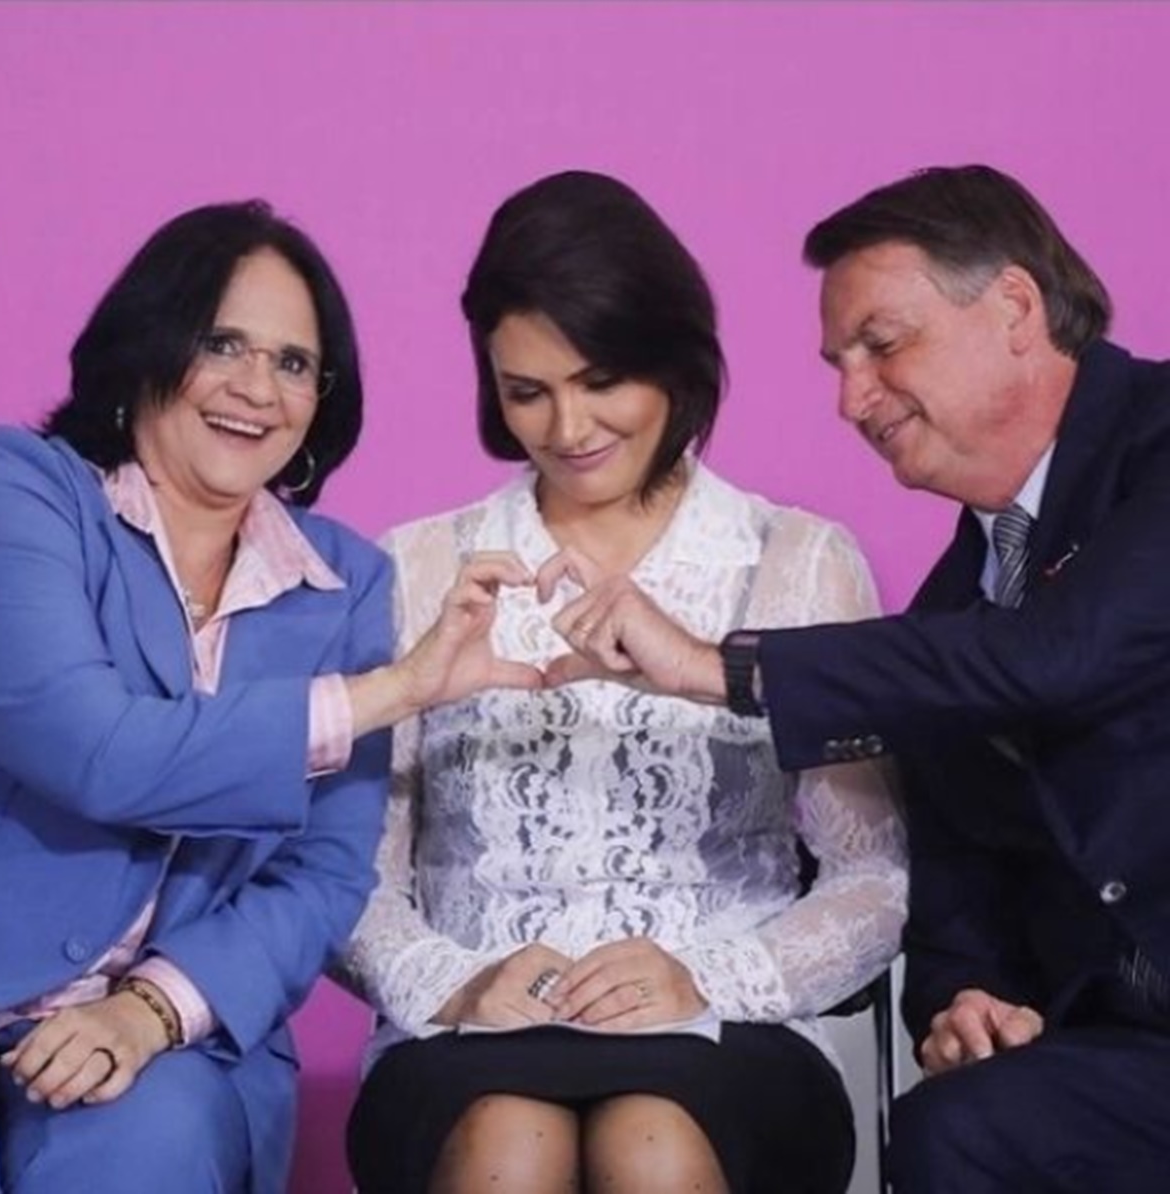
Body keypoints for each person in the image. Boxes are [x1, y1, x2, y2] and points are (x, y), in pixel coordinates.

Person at [541, 164, 1170, 1192]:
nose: (851, 399)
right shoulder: (942, 618)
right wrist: (965, 1002)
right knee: (956, 1129)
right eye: (839, 365)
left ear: (1015, 307)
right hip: (1133, 1056)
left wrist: (717, 666)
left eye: (883, 345)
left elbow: (1064, 654)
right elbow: (960, 894)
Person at [336, 170, 907, 1194]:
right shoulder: (420, 567)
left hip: (729, 1030)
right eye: (527, 392)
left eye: (601, 379)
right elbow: (348, 875)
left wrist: (705, 977)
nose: (568, 428)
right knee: (509, 1140)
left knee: (653, 1141)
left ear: (673, 359)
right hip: (467, 1031)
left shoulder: (796, 561)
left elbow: (873, 878)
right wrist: (456, 982)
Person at [0, 199, 541, 1194]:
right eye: (221, 343)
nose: (256, 388)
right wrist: (394, 691)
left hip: (163, 1037)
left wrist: (148, 1012)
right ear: (148, 342)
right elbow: (97, 752)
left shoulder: (346, 583)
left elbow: (319, 876)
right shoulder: (16, 490)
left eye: (293, 362)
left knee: (149, 1144)